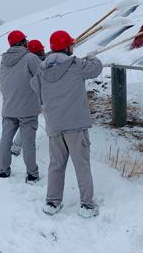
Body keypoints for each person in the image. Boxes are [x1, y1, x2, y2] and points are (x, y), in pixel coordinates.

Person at [30, 30, 103, 218]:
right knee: (82, 165)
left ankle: (52, 203)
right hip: (76, 125)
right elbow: (95, 68)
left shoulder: (42, 68)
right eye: (72, 44)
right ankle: (87, 205)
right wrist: (93, 56)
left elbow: (34, 85)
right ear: (67, 46)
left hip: (54, 125)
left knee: (56, 165)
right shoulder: (76, 64)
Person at [0, 30, 43, 182]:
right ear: (23, 42)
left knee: (5, 140)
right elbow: (42, 76)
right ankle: (32, 174)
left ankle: (3, 170)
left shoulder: (4, 59)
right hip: (28, 109)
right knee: (29, 143)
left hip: (9, 107)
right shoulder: (30, 58)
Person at [11, 39, 47, 156]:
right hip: (32, 99)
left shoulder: (26, 61)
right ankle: (17, 148)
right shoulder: (37, 64)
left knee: (23, 124)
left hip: (23, 99)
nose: (44, 51)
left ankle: (16, 147)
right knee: (27, 125)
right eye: (42, 50)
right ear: (38, 52)